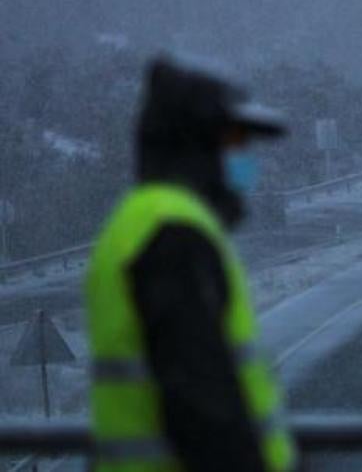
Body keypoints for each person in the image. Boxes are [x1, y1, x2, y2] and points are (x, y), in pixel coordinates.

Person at [86, 55, 297, 472]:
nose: (245, 157)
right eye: (236, 141)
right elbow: (203, 408)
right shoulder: (174, 234)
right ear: (198, 145)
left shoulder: (144, 221)